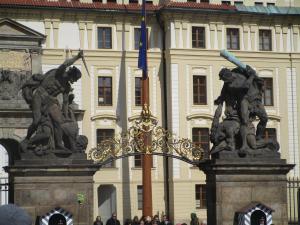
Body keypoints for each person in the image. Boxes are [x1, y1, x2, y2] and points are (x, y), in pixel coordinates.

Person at [22, 50, 83, 151]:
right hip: (39, 95)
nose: (75, 81)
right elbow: (65, 63)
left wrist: (66, 115)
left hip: (50, 101)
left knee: (58, 121)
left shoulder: (67, 87)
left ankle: (59, 144)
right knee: (36, 120)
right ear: (71, 74)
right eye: (75, 79)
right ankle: (27, 139)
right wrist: (77, 57)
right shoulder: (58, 73)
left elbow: (66, 102)